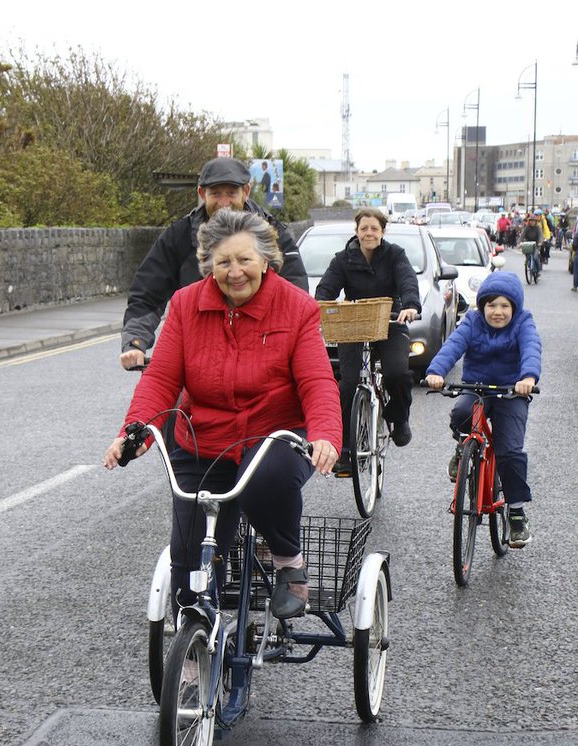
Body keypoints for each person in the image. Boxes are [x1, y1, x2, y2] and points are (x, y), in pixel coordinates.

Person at [105, 209, 342, 620]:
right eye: (223, 262)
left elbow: (317, 381)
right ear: (208, 266)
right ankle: (198, 651)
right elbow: (161, 379)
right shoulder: (185, 305)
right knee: (188, 559)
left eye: (245, 260)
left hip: (275, 431)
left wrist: (324, 433)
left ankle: (289, 563)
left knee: (267, 479)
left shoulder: (297, 307)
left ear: (266, 261)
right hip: (204, 438)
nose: (235, 272)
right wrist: (134, 433)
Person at [120, 157, 308, 370]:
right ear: (202, 194)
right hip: (197, 357)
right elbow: (147, 293)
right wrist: (135, 341)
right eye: (215, 193)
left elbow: (296, 293)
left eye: (231, 193)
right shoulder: (178, 236)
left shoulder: (273, 233)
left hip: (262, 355)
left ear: (246, 191)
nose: (224, 202)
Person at [425, 271, 541, 549]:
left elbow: (532, 348)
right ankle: (463, 448)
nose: (497, 312)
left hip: (512, 391)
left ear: (514, 307)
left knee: (510, 450)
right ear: (482, 306)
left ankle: (515, 512)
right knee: (461, 414)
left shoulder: (524, 323)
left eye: (504, 306)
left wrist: (528, 378)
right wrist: (436, 371)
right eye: (491, 305)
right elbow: (453, 345)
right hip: (476, 387)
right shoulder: (473, 321)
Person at [315, 207, 420, 469]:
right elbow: (325, 290)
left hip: (391, 321)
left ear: (382, 232)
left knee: (397, 373)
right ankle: (347, 449)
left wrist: (410, 305)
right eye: (364, 228)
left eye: (374, 228)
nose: (369, 233)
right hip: (353, 323)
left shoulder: (395, 254)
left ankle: (399, 417)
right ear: (357, 231)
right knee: (348, 385)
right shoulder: (343, 259)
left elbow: (407, 280)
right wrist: (317, 310)